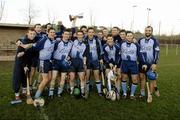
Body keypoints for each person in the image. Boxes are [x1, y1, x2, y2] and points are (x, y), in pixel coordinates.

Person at [20, 27, 56, 99]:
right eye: (51, 32)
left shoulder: (53, 40)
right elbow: (34, 45)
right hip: (43, 61)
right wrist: (24, 45)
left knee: (49, 78)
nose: (52, 33)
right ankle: (36, 96)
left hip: (49, 62)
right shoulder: (44, 39)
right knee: (45, 79)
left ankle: (40, 91)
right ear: (47, 32)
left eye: (53, 32)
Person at [12, 28, 36, 101]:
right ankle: (17, 94)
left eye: (34, 34)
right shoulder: (22, 41)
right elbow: (19, 55)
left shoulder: (34, 40)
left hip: (28, 62)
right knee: (17, 77)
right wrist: (24, 65)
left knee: (25, 77)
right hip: (20, 63)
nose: (32, 35)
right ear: (27, 34)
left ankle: (24, 92)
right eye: (31, 34)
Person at [120, 31, 145, 100]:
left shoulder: (136, 44)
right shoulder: (122, 44)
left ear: (133, 37)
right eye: (128, 36)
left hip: (133, 63)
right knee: (124, 78)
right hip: (124, 63)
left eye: (131, 36)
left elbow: (140, 54)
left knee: (134, 79)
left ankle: (132, 94)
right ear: (126, 37)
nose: (129, 37)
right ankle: (124, 93)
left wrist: (143, 63)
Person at [49, 29, 73, 98]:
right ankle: (51, 93)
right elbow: (51, 50)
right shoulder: (57, 42)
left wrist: (69, 57)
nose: (66, 35)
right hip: (56, 62)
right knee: (53, 78)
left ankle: (59, 92)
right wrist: (51, 59)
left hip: (64, 63)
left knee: (63, 79)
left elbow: (70, 53)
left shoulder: (71, 44)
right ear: (62, 35)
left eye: (68, 34)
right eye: (65, 34)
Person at [138, 26, 160, 102]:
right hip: (142, 62)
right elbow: (138, 49)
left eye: (149, 30)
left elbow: (157, 52)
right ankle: (142, 92)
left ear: (151, 32)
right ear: (144, 31)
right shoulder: (140, 40)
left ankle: (150, 94)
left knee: (151, 78)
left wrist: (154, 63)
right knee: (142, 77)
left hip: (151, 63)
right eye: (146, 30)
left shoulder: (155, 40)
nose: (147, 32)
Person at [68, 30, 89, 98]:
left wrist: (84, 64)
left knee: (82, 78)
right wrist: (74, 19)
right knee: (72, 78)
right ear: (76, 35)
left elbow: (85, 55)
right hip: (72, 61)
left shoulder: (85, 44)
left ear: (83, 35)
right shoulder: (73, 41)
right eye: (78, 34)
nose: (80, 36)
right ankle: (72, 91)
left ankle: (82, 92)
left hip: (80, 61)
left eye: (81, 35)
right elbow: (72, 29)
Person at [84, 27, 104, 96]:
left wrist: (101, 58)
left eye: (92, 32)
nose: (91, 33)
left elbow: (101, 50)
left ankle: (99, 92)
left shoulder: (97, 40)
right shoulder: (84, 40)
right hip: (87, 60)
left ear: (94, 33)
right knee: (87, 76)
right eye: (89, 32)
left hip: (95, 60)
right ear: (87, 33)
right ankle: (86, 90)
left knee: (96, 76)